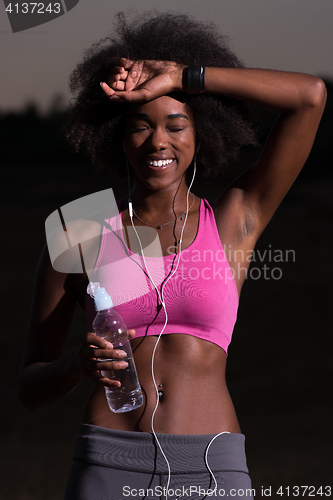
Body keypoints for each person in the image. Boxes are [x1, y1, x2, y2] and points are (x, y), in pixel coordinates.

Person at [19, 11, 326, 500]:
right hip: (107, 465)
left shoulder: (232, 219)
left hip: (211, 469)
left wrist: (184, 76)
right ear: (118, 138)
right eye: (140, 125)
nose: (158, 141)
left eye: (177, 125)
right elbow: (30, 389)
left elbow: (310, 96)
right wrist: (77, 365)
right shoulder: (77, 229)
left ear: (201, 133)